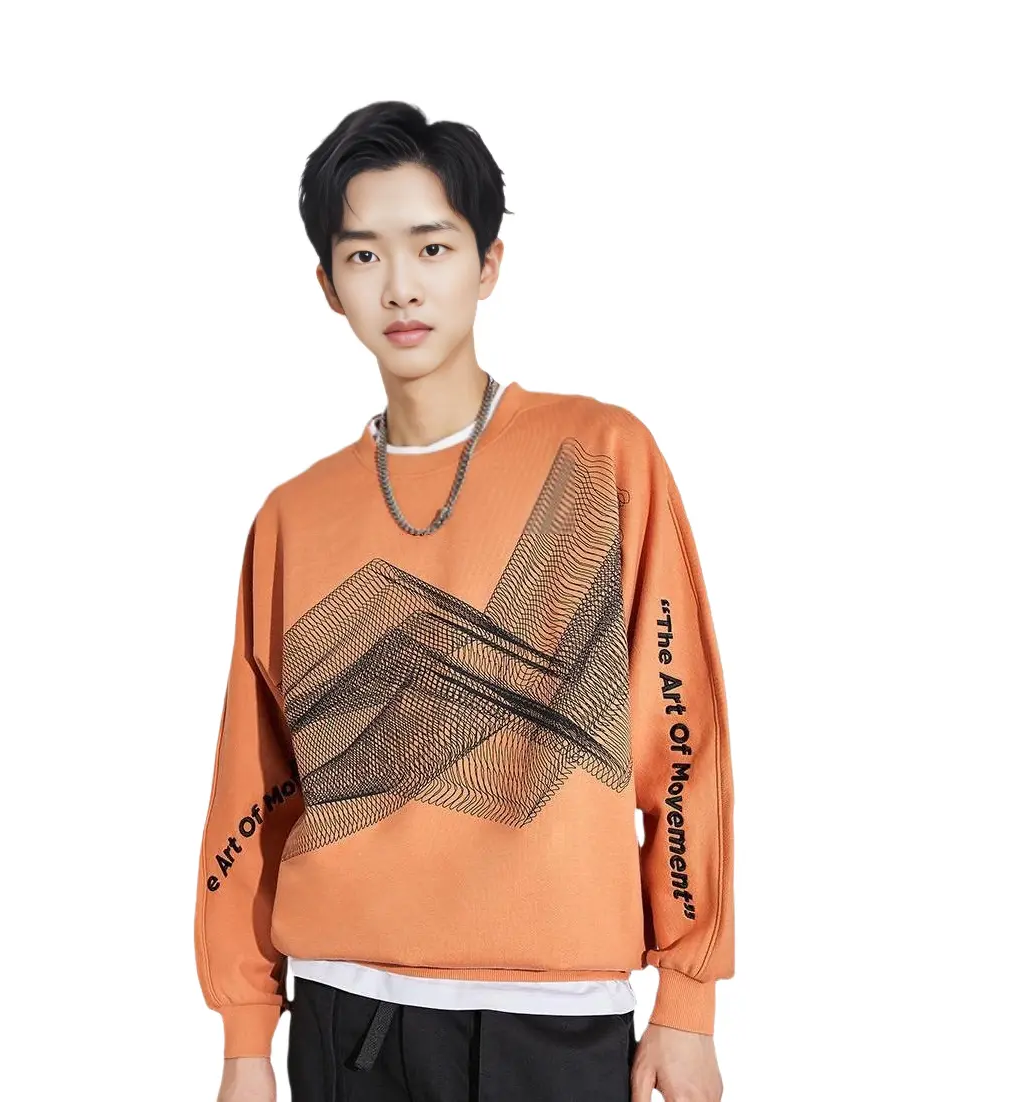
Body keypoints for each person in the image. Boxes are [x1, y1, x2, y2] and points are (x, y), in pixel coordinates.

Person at [193, 100, 735, 1102]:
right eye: (363, 255)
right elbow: (252, 784)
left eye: (431, 247)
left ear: (487, 265)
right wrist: (243, 1039)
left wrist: (687, 998)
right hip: (343, 1020)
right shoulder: (292, 516)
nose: (400, 285)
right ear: (328, 287)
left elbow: (681, 734)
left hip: (553, 1024)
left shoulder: (601, 456)